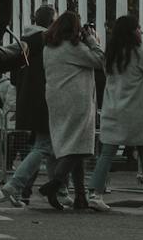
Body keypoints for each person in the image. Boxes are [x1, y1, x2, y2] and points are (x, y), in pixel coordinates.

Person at [86, 14, 143, 210]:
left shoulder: (111, 54)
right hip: (137, 109)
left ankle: (95, 194)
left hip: (114, 108)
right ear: (132, 32)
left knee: (107, 153)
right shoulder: (138, 51)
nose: (140, 31)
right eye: (138, 28)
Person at [40, 12, 105, 212]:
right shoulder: (74, 47)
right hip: (77, 100)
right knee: (79, 148)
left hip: (56, 99)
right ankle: (55, 183)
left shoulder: (49, 47)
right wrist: (92, 39)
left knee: (74, 147)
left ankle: (80, 197)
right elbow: (99, 59)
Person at [1, 5, 58, 206]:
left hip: (26, 99)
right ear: (52, 21)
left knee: (48, 146)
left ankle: (57, 189)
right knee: (45, 146)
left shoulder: (23, 41)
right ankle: (16, 185)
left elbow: (14, 77)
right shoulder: (49, 42)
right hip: (45, 99)